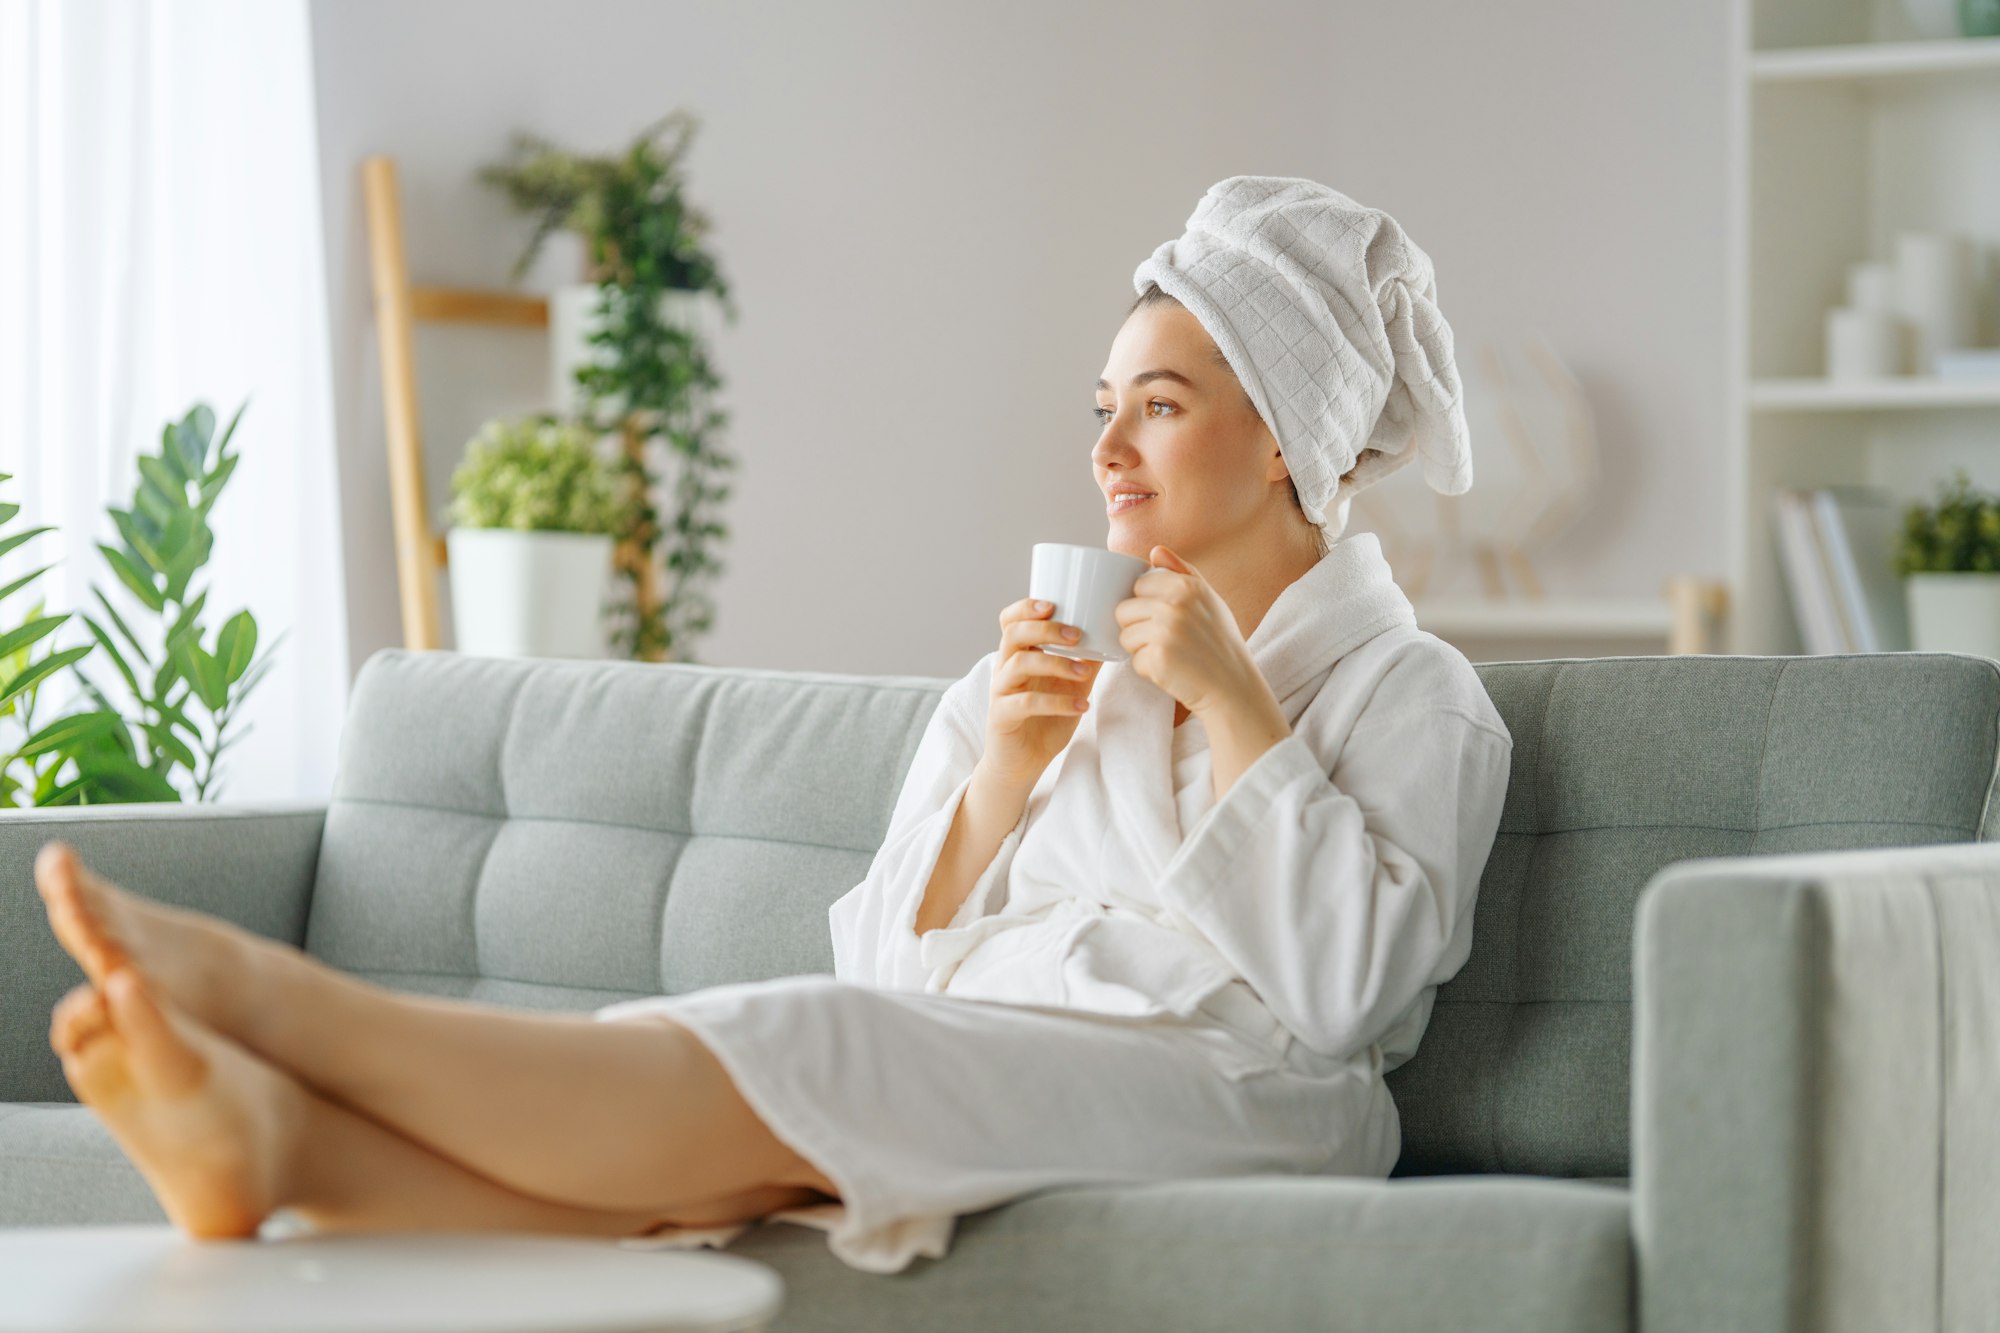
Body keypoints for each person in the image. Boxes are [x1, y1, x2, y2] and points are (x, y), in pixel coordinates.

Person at [34, 176, 1512, 1276]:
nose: (1107, 450)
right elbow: (876, 957)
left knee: (817, 1042)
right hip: (1003, 1041)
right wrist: (1001, 776)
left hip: (1248, 1094)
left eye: (1162, 406)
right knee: (760, 1119)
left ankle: (290, 1011)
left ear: (1283, 441)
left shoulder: (1413, 693)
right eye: (1102, 407)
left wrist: (1240, 707)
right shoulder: (1063, 661)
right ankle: (288, 1148)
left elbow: (1347, 997)